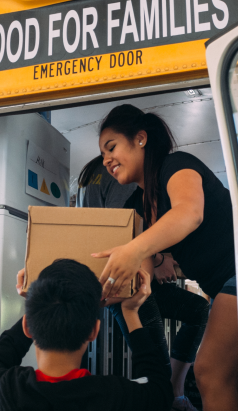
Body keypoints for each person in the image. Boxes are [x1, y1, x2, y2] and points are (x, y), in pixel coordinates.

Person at [92, 105, 238, 411]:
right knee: (225, 374)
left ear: (141, 139)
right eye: (103, 154)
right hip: (224, 286)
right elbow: (139, 279)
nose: (106, 160)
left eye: (111, 147)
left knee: (209, 370)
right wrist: (100, 290)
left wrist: (134, 250)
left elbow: (190, 213)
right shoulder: (139, 206)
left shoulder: (177, 165)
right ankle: (170, 391)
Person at [78, 156, 209, 411]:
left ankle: (176, 391)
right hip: (128, 285)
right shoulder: (122, 176)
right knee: (156, 372)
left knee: (198, 309)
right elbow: (128, 234)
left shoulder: (90, 174)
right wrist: (157, 258)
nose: (109, 158)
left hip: (117, 279)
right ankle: (169, 396)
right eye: (108, 147)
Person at [0, 259, 174, 411]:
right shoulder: (115, 396)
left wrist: (35, 304)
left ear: (27, 326)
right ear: (94, 331)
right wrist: (130, 312)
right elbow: (162, 390)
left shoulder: (1, 391)